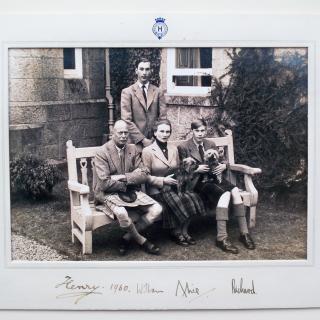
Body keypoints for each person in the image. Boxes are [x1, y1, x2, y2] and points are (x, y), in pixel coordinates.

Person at [178, 118, 255, 254]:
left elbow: (223, 160)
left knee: (236, 191)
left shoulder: (211, 143)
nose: (200, 134)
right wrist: (196, 169)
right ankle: (222, 237)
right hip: (198, 182)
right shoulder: (184, 147)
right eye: (197, 131)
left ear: (206, 130)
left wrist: (223, 166)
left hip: (215, 178)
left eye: (203, 130)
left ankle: (244, 233)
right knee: (225, 194)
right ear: (192, 131)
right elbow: (182, 169)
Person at [93, 120, 162, 256]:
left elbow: (144, 174)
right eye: (120, 133)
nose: (124, 136)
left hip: (131, 191)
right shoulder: (102, 152)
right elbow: (104, 184)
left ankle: (127, 238)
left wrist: (122, 177)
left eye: (126, 133)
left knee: (157, 209)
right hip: (108, 193)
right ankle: (141, 240)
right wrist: (131, 179)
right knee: (122, 213)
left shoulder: (133, 149)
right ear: (113, 134)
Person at [142, 119, 207, 246]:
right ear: (155, 133)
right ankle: (177, 232)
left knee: (193, 197)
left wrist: (183, 182)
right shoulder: (148, 151)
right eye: (161, 131)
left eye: (167, 131)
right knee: (179, 200)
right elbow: (145, 176)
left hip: (175, 186)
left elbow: (179, 170)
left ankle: (185, 231)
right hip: (157, 189)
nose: (165, 134)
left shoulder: (173, 149)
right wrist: (162, 180)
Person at [121, 57, 167, 150]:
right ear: (136, 71)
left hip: (154, 142)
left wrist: (155, 138)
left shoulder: (158, 92)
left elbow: (162, 118)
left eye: (147, 69)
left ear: (151, 71)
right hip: (135, 143)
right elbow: (126, 120)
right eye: (141, 69)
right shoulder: (127, 92)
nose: (144, 72)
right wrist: (142, 140)